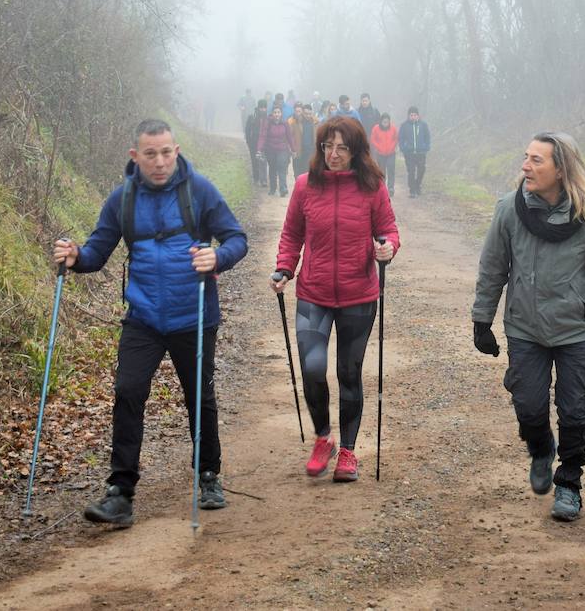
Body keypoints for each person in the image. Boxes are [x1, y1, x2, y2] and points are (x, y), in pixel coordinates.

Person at [54, 119, 249, 526]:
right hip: (142, 317)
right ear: (135, 156)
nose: (159, 162)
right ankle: (120, 493)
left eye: (166, 153)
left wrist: (218, 257)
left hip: (193, 315)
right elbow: (97, 252)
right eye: (150, 154)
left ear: (176, 151)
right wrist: (75, 257)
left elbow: (236, 239)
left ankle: (209, 475)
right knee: (128, 392)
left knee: (200, 397)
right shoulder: (121, 200)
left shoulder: (200, 192)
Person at [471, 132, 585, 523]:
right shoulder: (509, 210)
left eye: (536, 160)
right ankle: (540, 448)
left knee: (574, 410)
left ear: (561, 169)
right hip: (525, 328)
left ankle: (569, 483)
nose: (525, 166)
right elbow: (493, 267)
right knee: (528, 405)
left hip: (574, 330)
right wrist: (482, 319)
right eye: (526, 157)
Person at [271, 116, 399, 483]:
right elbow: (292, 234)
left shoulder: (373, 187)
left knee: (348, 374)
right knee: (312, 368)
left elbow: (388, 230)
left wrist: (387, 248)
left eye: (342, 147)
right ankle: (323, 437)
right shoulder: (304, 186)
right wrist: (284, 269)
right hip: (314, 293)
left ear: (356, 151)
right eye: (328, 146)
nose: (334, 153)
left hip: (359, 295)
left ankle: (348, 451)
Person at [257, 104, 298, 196]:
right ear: (272, 114)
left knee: (282, 167)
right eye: (275, 112)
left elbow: (290, 137)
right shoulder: (268, 123)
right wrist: (259, 149)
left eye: (278, 112)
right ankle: (273, 188)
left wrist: (293, 149)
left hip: (282, 150)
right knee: (272, 169)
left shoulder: (285, 124)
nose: (277, 114)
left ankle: (283, 188)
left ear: (281, 114)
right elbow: (262, 136)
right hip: (270, 150)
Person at [397, 105, 432, 197]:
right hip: (409, 153)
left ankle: (417, 185)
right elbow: (400, 138)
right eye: (411, 115)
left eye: (415, 115)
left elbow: (427, 137)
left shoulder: (423, 125)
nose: (413, 117)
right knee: (411, 171)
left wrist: (426, 147)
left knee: (421, 170)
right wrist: (403, 148)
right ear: (408, 116)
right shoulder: (404, 126)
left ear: (418, 115)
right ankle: (412, 190)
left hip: (421, 152)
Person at [369, 112, 398, 195]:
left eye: (387, 122)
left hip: (391, 153)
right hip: (380, 154)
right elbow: (373, 139)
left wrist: (392, 147)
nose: (385, 124)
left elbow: (396, 138)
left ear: (389, 122)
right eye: (384, 122)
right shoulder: (376, 128)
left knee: (391, 169)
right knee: (382, 171)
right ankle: (383, 188)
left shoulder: (393, 128)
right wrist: (378, 147)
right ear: (381, 121)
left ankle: (391, 187)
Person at [289, 102, 317, 186]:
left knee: (306, 171)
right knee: (297, 172)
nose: (308, 115)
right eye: (306, 113)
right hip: (298, 151)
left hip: (310, 150)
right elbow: (290, 136)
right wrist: (292, 148)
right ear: (302, 113)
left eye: (309, 114)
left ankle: (305, 188)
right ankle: (299, 186)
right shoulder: (295, 122)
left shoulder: (315, 123)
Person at [244, 99, 268, 187]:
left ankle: (263, 179)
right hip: (253, 143)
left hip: (264, 143)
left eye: (264, 107)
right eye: (261, 107)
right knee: (254, 161)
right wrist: (248, 142)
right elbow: (247, 130)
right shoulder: (252, 117)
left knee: (263, 161)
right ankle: (256, 178)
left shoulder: (268, 117)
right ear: (258, 107)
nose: (263, 109)